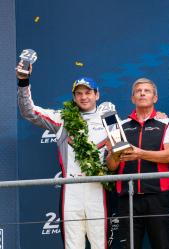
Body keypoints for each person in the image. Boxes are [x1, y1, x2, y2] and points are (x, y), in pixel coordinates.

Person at [16, 62, 113, 249]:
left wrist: (160, 118)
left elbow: (127, 137)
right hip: (72, 189)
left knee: (100, 245)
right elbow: (29, 112)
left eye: (88, 92)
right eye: (79, 93)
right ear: (74, 97)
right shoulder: (62, 119)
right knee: (72, 245)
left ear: (97, 94)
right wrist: (23, 81)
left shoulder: (108, 118)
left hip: (98, 187)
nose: (84, 97)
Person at [106, 78, 169, 249]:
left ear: (155, 98)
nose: (142, 93)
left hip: (156, 196)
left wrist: (140, 153)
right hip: (127, 197)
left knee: (161, 245)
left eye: (147, 91)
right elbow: (111, 166)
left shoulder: (166, 123)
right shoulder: (120, 127)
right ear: (132, 98)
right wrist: (114, 153)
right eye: (138, 91)